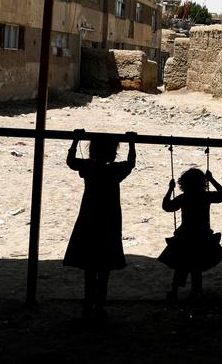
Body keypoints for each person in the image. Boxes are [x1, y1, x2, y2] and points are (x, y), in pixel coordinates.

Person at [64, 136, 136, 319]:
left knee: (89, 267)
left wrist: (75, 140)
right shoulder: (115, 170)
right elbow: (131, 163)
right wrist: (132, 142)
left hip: (89, 216)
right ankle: (100, 306)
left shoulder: (89, 168)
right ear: (113, 153)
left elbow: (71, 161)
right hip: (109, 219)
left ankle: (88, 305)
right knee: (104, 268)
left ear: (92, 152)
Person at [159, 168, 222, 301]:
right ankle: (196, 292)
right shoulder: (206, 196)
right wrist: (212, 179)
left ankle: (174, 291)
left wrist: (170, 189)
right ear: (203, 183)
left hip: (185, 236)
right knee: (197, 267)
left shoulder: (184, 198)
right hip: (202, 236)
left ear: (183, 184)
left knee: (181, 265)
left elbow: (167, 206)